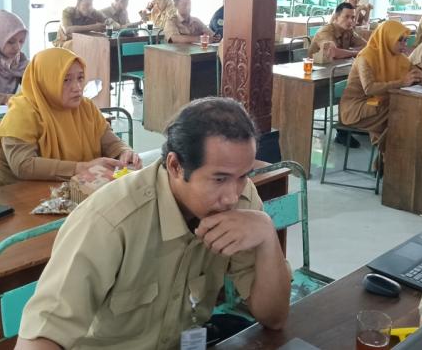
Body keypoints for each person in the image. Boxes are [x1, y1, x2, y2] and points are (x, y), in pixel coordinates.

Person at [15, 97, 290, 349]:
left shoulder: (242, 199)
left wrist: (267, 234)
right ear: (175, 166)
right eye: (219, 179)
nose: (232, 196)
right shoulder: (110, 220)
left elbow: (274, 318)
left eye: (243, 176)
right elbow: (40, 339)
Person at [0, 47, 141, 187]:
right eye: (66, 80)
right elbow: (23, 166)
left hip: (71, 190)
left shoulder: (85, 107)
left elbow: (109, 141)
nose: (77, 87)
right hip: (19, 195)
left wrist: (124, 152)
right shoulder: (21, 113)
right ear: (45, 81)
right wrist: (81, 168)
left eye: (80, 78)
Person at [339, 21, 422, 153]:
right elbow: (369, 88)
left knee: (406, 110)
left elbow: (414, 72)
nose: (404, 44)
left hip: (380, 102)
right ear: (387, 38)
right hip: (358, 107)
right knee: (401, 112)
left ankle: (391, 157)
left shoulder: (398, 57)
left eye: (405, 40)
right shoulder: (366, 57)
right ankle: (391, 157)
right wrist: (401, 82)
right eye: (399, 40)